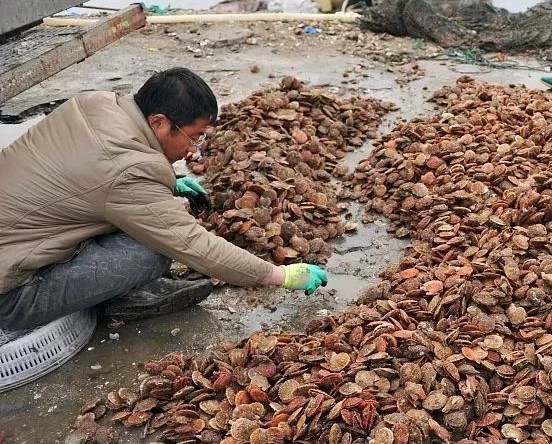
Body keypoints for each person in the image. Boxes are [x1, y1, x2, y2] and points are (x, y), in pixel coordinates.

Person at [0, 68, 328, 334]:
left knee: (144, 220)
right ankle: (117, 303)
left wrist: (169, 182)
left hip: (15, 235)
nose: (193, 150)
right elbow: (194, 246)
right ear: (158, 122)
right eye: (193, 136)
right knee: (153, 251)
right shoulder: (130, 170)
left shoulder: (97, 103)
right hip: (12, 295)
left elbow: (88, 176)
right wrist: (278, 275)